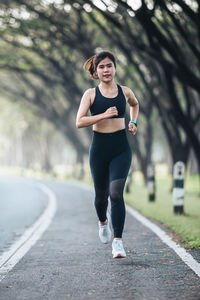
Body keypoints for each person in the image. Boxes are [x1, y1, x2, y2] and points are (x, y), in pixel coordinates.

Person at [76, 51, 139, 258]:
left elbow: (135, 105)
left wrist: (133, 122)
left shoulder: (125, 91)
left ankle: (118, 241)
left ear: (115, 68)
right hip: (99, 149)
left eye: (109, 66)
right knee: (101, 197)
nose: (106, 70)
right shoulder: (91, 94)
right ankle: (103, 222)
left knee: (116, 193)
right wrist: (103, 114)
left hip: (121, 147)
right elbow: (79, 121)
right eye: (101, 67)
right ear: (95, 71)